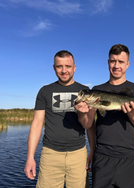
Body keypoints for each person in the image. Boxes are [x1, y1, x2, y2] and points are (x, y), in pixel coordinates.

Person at [24, 50, 94, 188]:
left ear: (74, 67)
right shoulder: (45, 91)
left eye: (68, 66)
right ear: (53, 67)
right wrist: (30, 157)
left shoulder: (86, 91)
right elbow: (37, 123)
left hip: (78, 154)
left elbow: (90, 126)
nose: (64, 71)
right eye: (59, 66)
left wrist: (92, 152)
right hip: (50, 154)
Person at [87, 44, 134, 188]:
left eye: (121, 62)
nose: (116, 65)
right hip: (102, 158)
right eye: (113, 61)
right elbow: (88, 124)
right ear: (108, 62)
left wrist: (131, 113)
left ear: (127, 64)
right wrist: (83, 111)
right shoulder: (96, 90)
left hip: (129, 158)